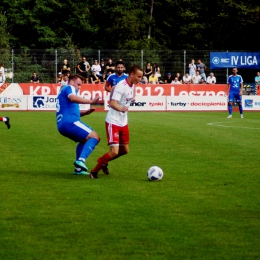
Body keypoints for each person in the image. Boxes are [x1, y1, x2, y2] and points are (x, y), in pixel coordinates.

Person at [89, 65, 143, 179]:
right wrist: (121, 109)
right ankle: (94, 172)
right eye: (139, 76)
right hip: (113, 121)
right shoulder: (121, 86)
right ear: (132, 75)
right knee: (114, 151)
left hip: (123, 122)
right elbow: (112, 103)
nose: (140, 79)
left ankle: (103, 161)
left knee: (124, 150)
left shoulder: (132, 85)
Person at [56, 74, 100, 175]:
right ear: (71, 82)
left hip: (62, 125)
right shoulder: (69, 87)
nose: (79, 87)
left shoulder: (62, 92)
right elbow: (72, 98)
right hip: (70, 123)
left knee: (84, 140)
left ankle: (78, 169)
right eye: (78, 84)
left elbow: (68, 111)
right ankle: (81, 160)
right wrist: (91, 101)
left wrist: (84, 113)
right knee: (95, 137)